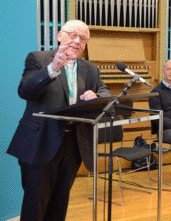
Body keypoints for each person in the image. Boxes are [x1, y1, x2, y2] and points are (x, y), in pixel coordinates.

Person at [7, 20, 112, 221]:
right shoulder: (38, 58)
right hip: (40, 142)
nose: (77, 41)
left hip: (74, 144)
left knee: (60, 201)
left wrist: (96, 96)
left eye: (82, 38)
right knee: (35, 204)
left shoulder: (90, 69)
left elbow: (104, 90)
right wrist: (53, 67)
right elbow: (25, 91)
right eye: (72, 34)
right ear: (59, 36)